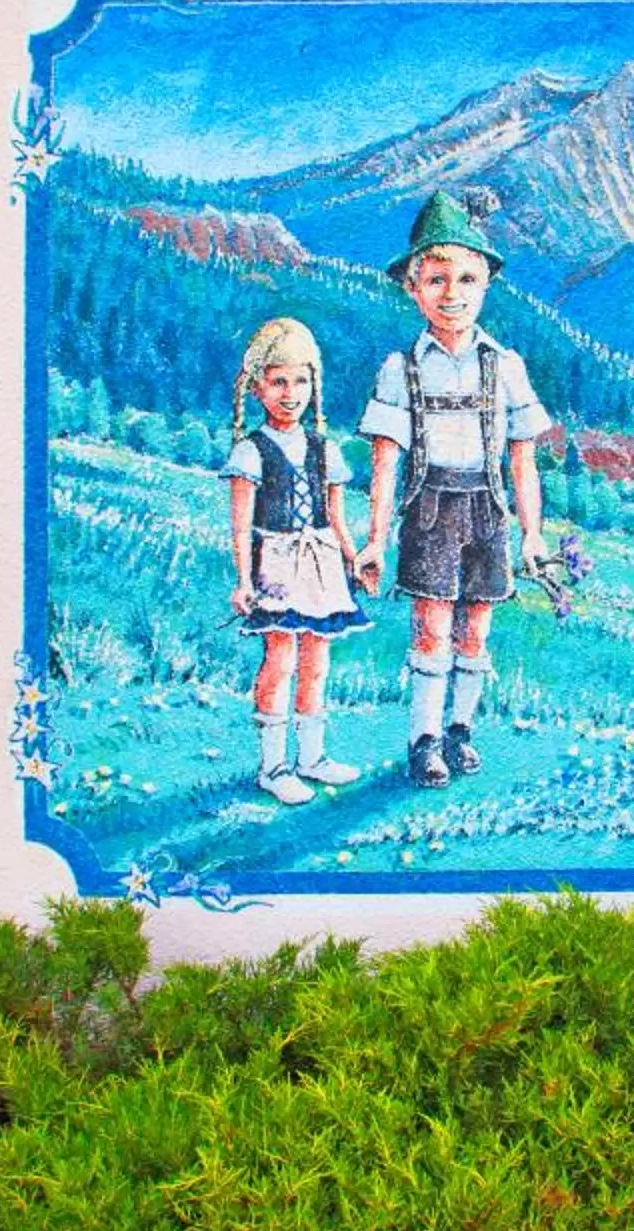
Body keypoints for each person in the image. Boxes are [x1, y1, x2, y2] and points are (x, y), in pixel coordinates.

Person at [353, 192, 554, 789]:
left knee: (477, 630)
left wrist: (533, 533)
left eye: (467, 278)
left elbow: (523, 459)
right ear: (413, 288)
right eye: (436, 279)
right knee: (432, 627)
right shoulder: (401, 369)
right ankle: (424, 740)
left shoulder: (506, 365)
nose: (452, 293)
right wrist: (373, 540)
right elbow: (386, 459)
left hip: (488, 507)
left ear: (487, 283)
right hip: (431, 507)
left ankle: (460, 729)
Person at [224, 317, 371, 805]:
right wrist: (244, 580)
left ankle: (312, 756)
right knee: (280, 660)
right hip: (279, 565)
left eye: (301, 381)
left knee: (316, 662)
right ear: (258, 387)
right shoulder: (252, 451)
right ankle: (274, 764)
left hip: (322, 563)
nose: (291, 393)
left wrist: (355, 560)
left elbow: (336, 516)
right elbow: (242, 526)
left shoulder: (323, 448)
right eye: (279, 381)